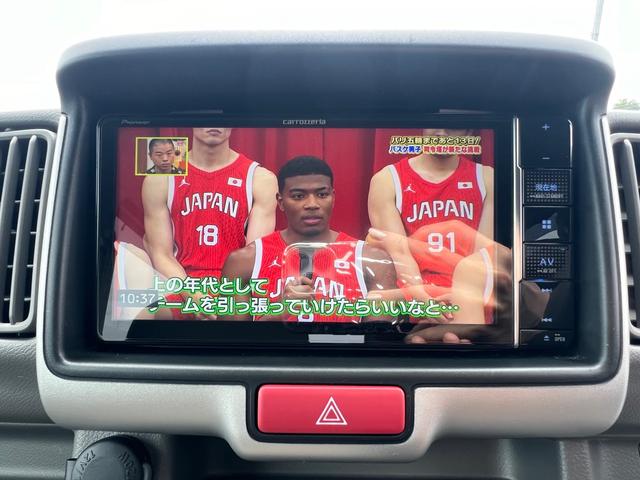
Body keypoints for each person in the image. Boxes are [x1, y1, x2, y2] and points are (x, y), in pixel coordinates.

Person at [221, 156, 396, 322]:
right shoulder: (245, 261)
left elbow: (378, 339)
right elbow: (229, 340)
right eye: (298, 196)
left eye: (322, 195)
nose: (312, 204)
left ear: (333, 198)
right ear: (280, 202)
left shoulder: (373, 261)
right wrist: (277, 313)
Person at [141, 127, 278, 317]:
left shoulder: (260, 178)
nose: (215, 123)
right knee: (146, 316)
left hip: (234, 286)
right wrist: (194, 296)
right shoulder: (162, 178)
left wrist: (224, 299)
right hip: (181, 283)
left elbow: (254, 257)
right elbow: (161, 254)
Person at [368, 128, 494, 296]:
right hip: (415, 296)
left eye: (452, 127)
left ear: (469, 133)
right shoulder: (387, 179)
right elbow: (400, 254)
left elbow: (483, 257)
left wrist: (464, 301)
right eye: (435, 124)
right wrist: (424, 300)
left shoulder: (486, 178)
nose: (441, 133)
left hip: (470, 295)